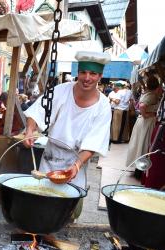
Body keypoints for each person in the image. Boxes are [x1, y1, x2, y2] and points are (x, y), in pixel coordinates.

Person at [23, 51, 112, 191]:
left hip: (77, 160)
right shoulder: (61, 91)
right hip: (50, 157)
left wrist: (76, 166)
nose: (87, 78)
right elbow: (36, 112)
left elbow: (94, 142)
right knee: (43, 197)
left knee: (68, 205)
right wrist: (29, 130)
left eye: (93, 73)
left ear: (100, 76)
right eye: (83, 72)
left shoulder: (103, 105)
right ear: (78, 72)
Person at [126, 76, 162, 177]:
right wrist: (147, 115)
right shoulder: (152, 96)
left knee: (140, 144)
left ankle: (139, 169)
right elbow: (142, 106)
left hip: (143, 121)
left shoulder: (148, 94)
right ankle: (140, 170)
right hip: (147, 122)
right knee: (144, 144)